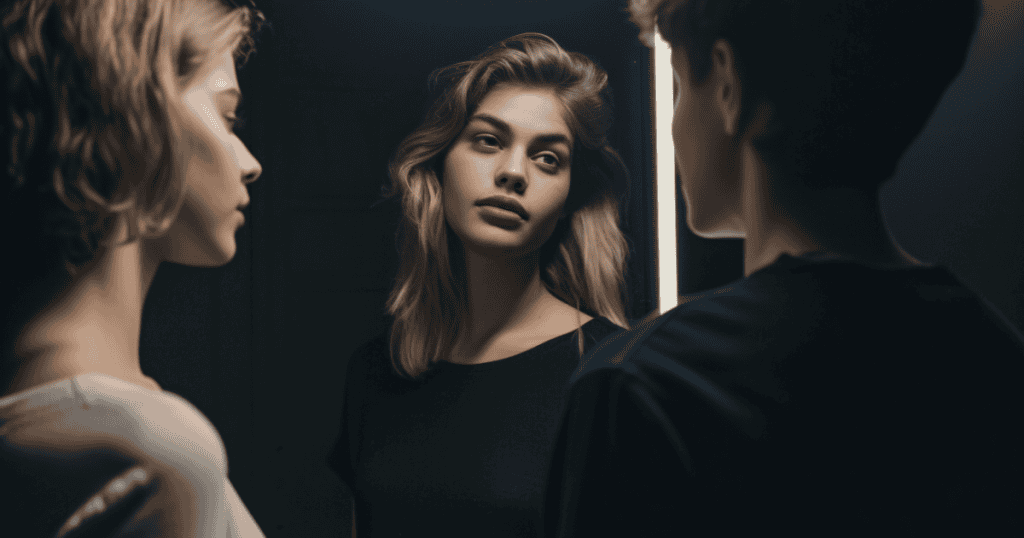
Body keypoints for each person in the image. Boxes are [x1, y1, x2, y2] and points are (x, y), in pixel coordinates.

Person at [543, 0, 1024, 536]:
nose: (674, 122)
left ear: (728, 85)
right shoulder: (1001, 366)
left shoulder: (642, 389)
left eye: (679, 84)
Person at [327, 33, 631, 538]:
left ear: (569, 201)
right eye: (488, 141)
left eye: (547, 158)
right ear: (440, 163)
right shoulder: (375, 373)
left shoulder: (608, 374)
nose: (513, 172)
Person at [0, 0, 266, 535]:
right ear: (137, 114)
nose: (250, 162)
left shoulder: (72, 416)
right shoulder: (151, 454)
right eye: (227, 114)